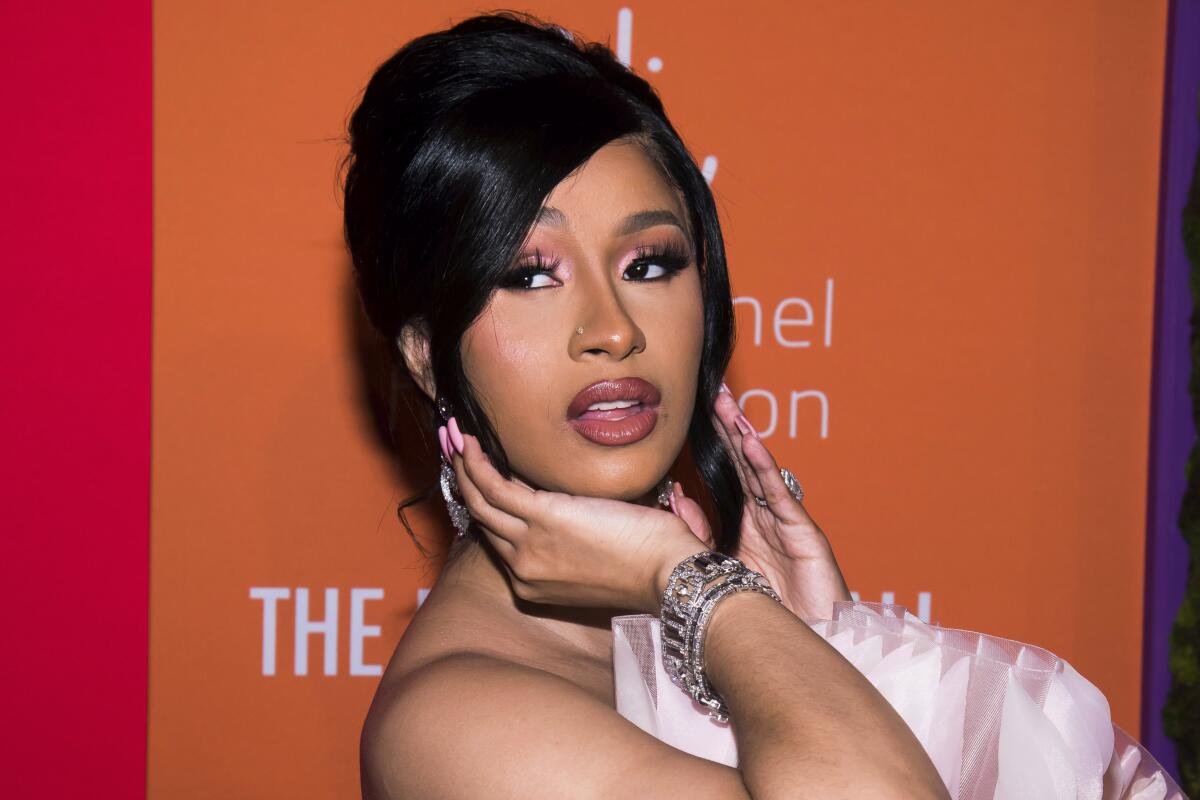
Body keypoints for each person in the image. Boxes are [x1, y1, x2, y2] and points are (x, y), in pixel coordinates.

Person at [342, 11, 1185, 800]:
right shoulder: (455, 723)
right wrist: (700, 591)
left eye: (649, 264)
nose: (612, 330)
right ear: (425, 354)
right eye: (530, 275)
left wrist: (822, 641)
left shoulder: (704, 628)